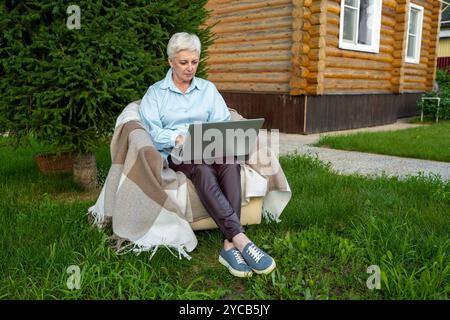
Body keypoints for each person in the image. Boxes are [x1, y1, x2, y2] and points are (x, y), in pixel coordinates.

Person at [139, 32, 276, 277]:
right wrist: (176, 138)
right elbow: (151, 132)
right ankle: (241, 239)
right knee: (200, 168)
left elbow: (222, 122)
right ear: (170, 61)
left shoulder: (208, 90)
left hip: (210, 147)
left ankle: (229, 244)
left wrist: (220, 137)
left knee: (231, 162)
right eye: (183, 62)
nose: (190, 68)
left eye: (194, 62)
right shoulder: (156, 93)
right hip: (179, 153)